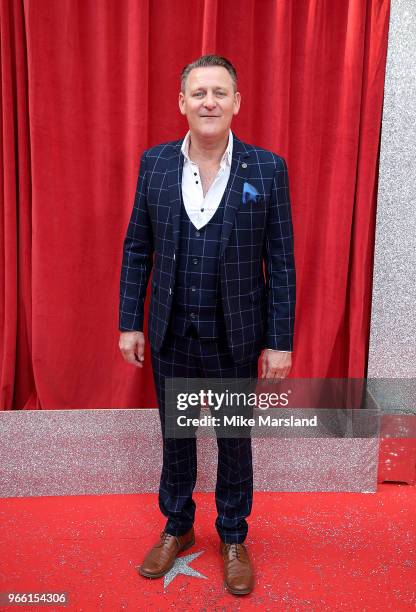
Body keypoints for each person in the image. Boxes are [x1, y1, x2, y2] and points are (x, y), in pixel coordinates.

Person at [119, 54, 296, 596]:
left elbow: (281, 261)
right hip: (171, 329)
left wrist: (279, 341)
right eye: (199, 93)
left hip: (235, 335)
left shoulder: (267, 169)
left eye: (220, 92)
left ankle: (234, 535)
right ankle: (177, 526)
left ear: (237, 102)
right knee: (176, 437)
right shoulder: (154, 165)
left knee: (233, 439)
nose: (210, 102)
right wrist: (130, 323)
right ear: (182, 103)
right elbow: (136, 248)